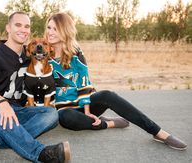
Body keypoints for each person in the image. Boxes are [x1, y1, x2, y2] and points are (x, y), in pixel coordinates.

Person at [44, 12, 187, 151]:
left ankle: (158, 132)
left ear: (65, 31)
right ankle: (108, 123)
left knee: (107, 95)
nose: (50, 32)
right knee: (67, 117)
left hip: (83, 105)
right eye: (49, 28)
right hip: (64, 111)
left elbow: (84, 84)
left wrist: (87, 112)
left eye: (55, 29)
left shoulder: (76, 53)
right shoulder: (42, 54)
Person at [0, 11, 71, 163]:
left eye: (27, 26)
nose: (23, 30)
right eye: (18, 25)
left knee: (51, 113)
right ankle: (41, 154)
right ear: (8, 28)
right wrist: (1, 102)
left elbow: (53, 52)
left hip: (16, 110)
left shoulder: (29, 53)